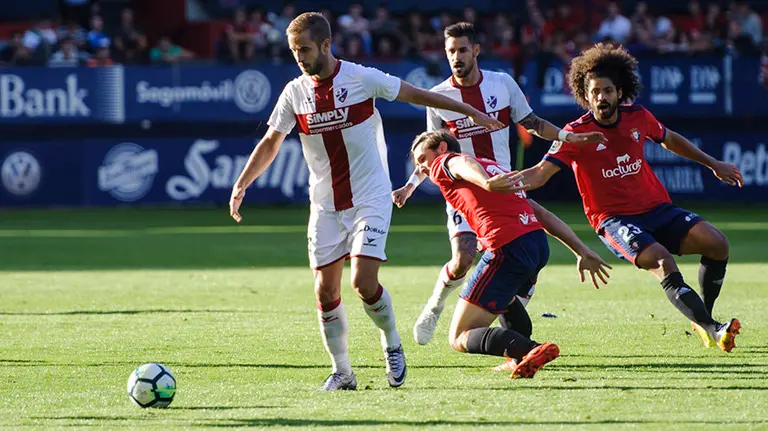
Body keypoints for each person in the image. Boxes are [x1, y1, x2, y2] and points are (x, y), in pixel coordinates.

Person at [229, 12, 504, 392]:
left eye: (305, 49)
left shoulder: (360, 77)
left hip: (370, 198)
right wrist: (242, 183)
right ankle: (342, 372)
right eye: (294, 51)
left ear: (326, 44)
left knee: (362, 282)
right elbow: (272, 141)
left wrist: (468, 110)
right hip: (324, 205)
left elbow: (416, 94)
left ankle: (392, 343)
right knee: (324, 291)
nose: (299, 57)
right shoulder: (295, 92)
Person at [391, 22, 606, 345]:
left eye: (462, 50)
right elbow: (433, 148)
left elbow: (532, 123)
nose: (456, 57)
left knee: (516, 264)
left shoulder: (502, 84)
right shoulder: (437, 97)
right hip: (466, 188)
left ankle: (514, 337)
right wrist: (410, 184)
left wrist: (567, 136)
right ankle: (435, 307)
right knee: (464, 257)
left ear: (476, 50)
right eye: (451, 51)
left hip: (503, 184)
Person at [519, 43, 743, 351]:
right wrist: (505, 184)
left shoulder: (638, 117)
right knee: (662, 261)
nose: (601, 98)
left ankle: (704, 318)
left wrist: (713, 163)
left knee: (718, 243)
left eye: (608, 91)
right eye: (595, 92)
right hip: (614, 220)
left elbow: (670, 139)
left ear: (619, 91)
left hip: (657, 208)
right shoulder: (575, 134)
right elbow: (540, 173)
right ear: (585, 95)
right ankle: (713, 329)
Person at [410, 130, 612, 379]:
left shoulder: (448, 162)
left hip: (508, 247)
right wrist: (581, 250)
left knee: (459, 336)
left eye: (422, 159)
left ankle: (531, 349)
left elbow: (460, 162)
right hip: (536, 244)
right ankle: (518, 357)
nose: (422, 167)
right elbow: (540, 213)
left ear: (441, 148)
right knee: (504, 299)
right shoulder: (493, 167)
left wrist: (485, 182)